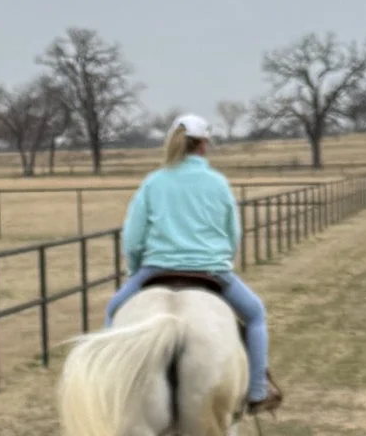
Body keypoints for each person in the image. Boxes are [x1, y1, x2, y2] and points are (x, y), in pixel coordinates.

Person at [103, 115, 282, 413]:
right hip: (211, 270)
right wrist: (222, 260)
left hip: (156, 269)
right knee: (255, 315)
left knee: (113, 310)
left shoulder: (153, 183)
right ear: (203, 145)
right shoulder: (218, 183)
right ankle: (256, 392)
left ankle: (109, 388)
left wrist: (135, 270)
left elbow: (133, 238)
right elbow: (232, 233)